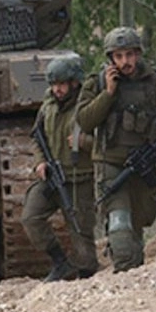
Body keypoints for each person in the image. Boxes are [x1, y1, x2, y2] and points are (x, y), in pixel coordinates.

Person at [76, 27, 156, 272]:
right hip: (111, 165)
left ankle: (135, 279)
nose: (125, 62)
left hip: (146, 167)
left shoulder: (155, 82)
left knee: (136, 227)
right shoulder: (98, 83)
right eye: (119, 56)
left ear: (138, 54)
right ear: (111, 58)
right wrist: (108, 94)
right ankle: (125, 269)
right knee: (120, 225)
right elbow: (84, 121)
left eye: (130, 55)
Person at [21, 55, 99, 281]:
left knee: (81, 233)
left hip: (79, 178)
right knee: (30, 217)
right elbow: (36, 137)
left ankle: (86, 277)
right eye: (54, 84)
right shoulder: (48, 106)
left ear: (74, 82)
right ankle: (60, 262)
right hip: (51, 175)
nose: (58, 89)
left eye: (62, 84)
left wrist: (83, 142)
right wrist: (39, 161)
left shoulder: (87, 107)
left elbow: (106, 144)